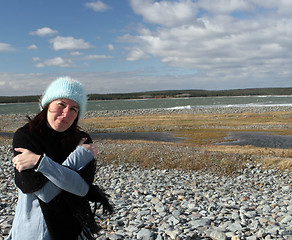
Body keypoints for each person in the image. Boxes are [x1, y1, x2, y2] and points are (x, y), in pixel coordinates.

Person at [6, 76, 113, 240]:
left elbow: (82, 189)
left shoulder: (82, 140)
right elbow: (45, 194)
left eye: (73, 109)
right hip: (35, 231)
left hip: (74, 228)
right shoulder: (26, 136)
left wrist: (38, 162)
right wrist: (76, 158)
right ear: (48, 104)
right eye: (61, 105)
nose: (66, 114)